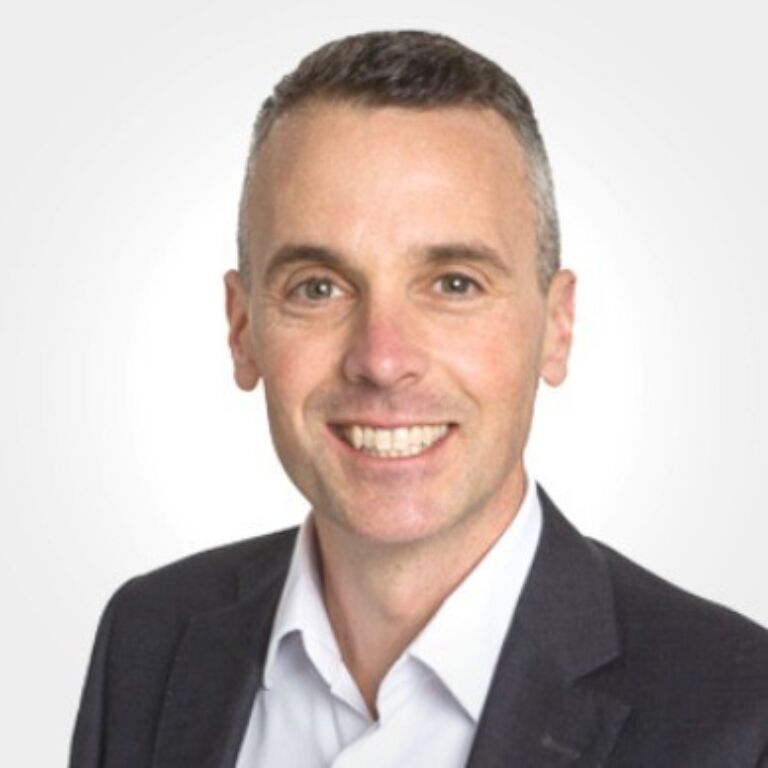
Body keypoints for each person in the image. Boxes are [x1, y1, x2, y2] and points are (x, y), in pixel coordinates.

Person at [70, 30, 768, 767]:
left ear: (556, 328)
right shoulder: (148, 641)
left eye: (454, 283)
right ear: (243, 329)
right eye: (318, 287)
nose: (382, 358)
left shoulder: (739, 715)